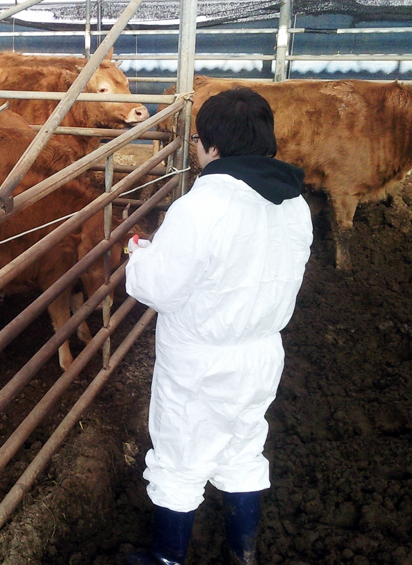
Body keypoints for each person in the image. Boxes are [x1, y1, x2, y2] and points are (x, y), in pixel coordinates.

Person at [124, 88, 313, 565]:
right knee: (243, 448)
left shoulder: (201, 206)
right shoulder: (294, 204)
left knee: (179, 458)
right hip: (261, 352)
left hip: (200, 360)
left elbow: (159, 289)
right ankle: (241, 553)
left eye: (196, 140)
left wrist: (139, 255)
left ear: (211, 146)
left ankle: (167, 559)